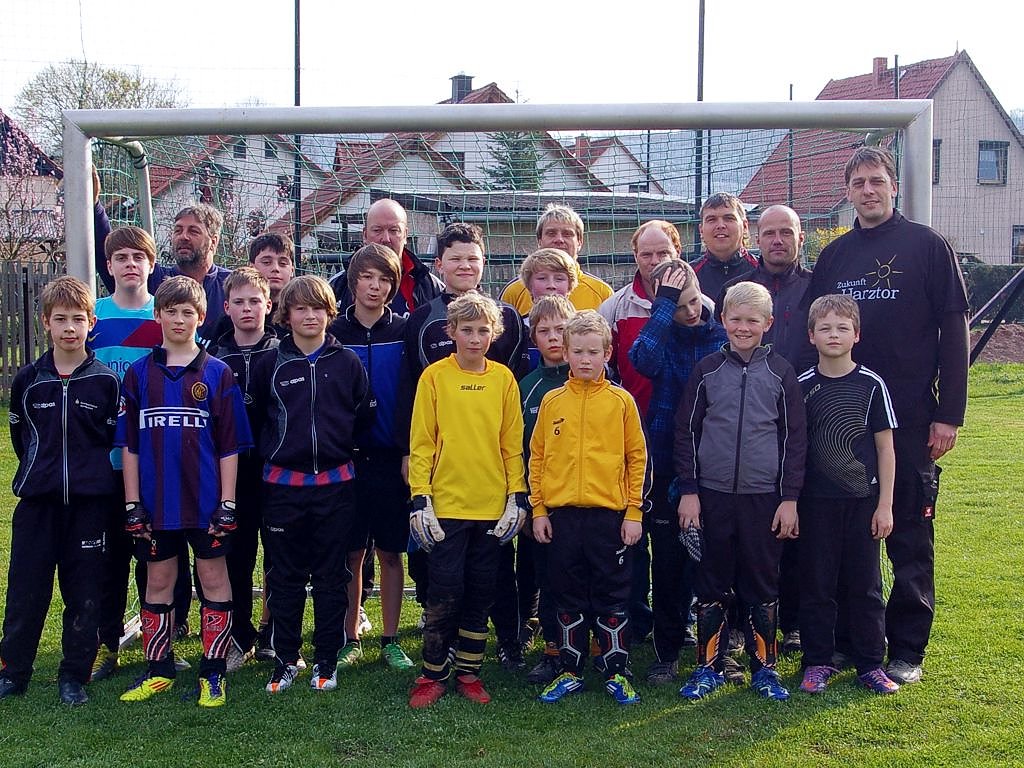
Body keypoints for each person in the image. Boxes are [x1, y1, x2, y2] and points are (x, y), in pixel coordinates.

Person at [805, 146, 969, 685]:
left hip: (912, 419)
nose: (868, 191)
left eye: (877, 181)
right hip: (843, 426)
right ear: (848, 192)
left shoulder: (928, 246)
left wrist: (950, 414)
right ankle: (849, 644)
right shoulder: (835, 256)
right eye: (858, 183)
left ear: (893, 186)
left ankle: (907, 650)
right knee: (847, 538)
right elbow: (815, 333)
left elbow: (954, 332)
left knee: (908, 538)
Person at [117, 276, 252, 707]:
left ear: (202, 316)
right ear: (157, 315)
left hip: (206, 503)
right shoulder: (139, 375)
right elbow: (129, 447)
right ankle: (158, 670)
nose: (179, 319)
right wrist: (132, 502)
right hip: (156, 504)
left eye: (187, 312)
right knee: (158, 580)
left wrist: (228, 502)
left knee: (213, 578)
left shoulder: (217, 373)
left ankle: (213, 671)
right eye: (171, 311)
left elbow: (230, 446)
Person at [399, 222, 529, 657]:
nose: (475, 338)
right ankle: (438, 655)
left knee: (491, 579)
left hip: (492, 494)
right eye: (455, 258)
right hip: (445, 491)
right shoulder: (426, 337)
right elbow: (420, 427)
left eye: (473, 258)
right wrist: (419, 491)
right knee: (443, 578)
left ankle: (501, 646)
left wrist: (516, 494)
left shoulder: (504, 365)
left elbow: (510, 438)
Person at [675, 281, 806, 702]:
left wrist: (789, 499)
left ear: (768, 323)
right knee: (711, 580)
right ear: (723, 320)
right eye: (736, 319)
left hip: (764, 498)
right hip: (712, 495)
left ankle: (765, 669)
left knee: (762, 581)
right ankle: (708, 667)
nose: (743, 327)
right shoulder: (707, 370)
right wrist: (690, 491)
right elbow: (686, 432)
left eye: (752, 320)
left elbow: (794, 441)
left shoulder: (781, 373)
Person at [0, 277, 121, 706]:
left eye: (78, 319)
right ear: (46, 322)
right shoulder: (28, 380)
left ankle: (73, 675)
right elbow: (21, 439)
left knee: (84, 592)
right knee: (25, 591)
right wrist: (42, 473)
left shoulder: (106, 382)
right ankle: (13, 672)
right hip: (39, 504)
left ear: (91, 323)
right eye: (60, 319)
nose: (70, 328)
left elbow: (111, 440)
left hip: (90, 506)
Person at [249, 276, 371, 695]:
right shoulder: (269, 363)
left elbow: (363, 417)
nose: (309, 316)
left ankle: (326, 659)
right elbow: (257, 421)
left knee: (330, 576)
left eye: (317, 308)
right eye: (300, 308)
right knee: (285, 575)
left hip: (336, 487)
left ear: (329, 313)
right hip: (283, 487)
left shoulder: (348, 362)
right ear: (286, 315)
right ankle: (285, 659)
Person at [89, 226, 192, 684]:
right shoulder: (94, 316)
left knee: (166, 557)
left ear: (152, 264)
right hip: (107, 461)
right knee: (109, 557)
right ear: (109, 265)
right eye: (121, 257)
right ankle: (106, 643)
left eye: (139, 257)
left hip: (160, 463)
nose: (130, 264)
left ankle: (167, 637)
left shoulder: (166, 314)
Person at [529, 310, 649, 706]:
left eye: (593, 352)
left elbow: (637, 458)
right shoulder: (552, 401)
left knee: (613, 594)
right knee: (566, 594)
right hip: (562, 517)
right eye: (577, 351)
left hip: (609, 517)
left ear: (607, 354)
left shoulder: (621, 401)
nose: (584, 359)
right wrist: (539, 509)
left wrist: (633, 512)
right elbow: (537, 457)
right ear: (565, 352)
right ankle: (570, 670)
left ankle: (616, 671)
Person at [716, 204, 816, 656]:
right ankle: (738, 624)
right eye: (769, 232)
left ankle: (791, 622)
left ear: (800, 238)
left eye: (786, 232)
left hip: (803, 419)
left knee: (793, 526)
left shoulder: (816, 285)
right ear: (756, 238)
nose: (777, 240)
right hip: (744, 425)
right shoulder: (740, 290)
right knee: (747, 535)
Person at [628, 259, 727, 685]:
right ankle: (666, 652)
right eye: (678, 304)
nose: (690, 312)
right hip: (667, 460)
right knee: (668, 563)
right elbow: (641, 360)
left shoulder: (721, 337)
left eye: (693, 301)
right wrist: (664, 308)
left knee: (715, 562)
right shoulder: (661, 336)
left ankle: (718, 651)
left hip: (717, 462)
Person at [797, 294, 900, 695]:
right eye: (825, 328)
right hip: (815, 505)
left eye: (842, 328)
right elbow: (795, 449)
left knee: (866, 586)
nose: (834, 335)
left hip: (862, 504)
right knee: (817, 584)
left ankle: (870, 663)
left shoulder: (872, 384)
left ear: (856, 334)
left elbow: (886, 449)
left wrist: (885, 505)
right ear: (811, 335)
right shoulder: (802, 387)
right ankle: (817, 661)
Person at [328, 243, 415, 672]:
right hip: (345, 458)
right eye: (367, 277)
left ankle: (391, 639)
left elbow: (414, 395)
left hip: (391, 458)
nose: (375, 286)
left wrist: (407, 449)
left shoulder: (405, 330)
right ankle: (351, 637)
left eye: (384, 279)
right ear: (353, 282)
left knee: (391, 552)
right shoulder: (333, 332)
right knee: (351, 553)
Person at [598, 219, 682, 646]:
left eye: (662, 253)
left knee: (672, 541)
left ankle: (677, 620)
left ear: (677, 252)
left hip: (675, 444)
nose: (654, 261)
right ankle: (632, 619)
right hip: (626, 445)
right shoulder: (613, 307)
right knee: (629, 537)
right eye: (646, 254)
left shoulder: (697, 303)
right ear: (634, 257)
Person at [209, 267, 280, 672]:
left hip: (275, 472)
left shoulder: (284, 352)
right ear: (227, 307)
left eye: (255, 301)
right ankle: (238, 634)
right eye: (239, 302)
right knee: (235, 555)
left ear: (269, 305)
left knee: (278, 554)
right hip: (230, 475)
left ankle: (274, 633)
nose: (247, 308)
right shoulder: (214, 358)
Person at [517, 296, 576, 685]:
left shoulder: (593, 380)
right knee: (546, 576)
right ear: (533, 337)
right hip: (542, 505)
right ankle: (550, 648)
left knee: (585, 576)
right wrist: (526, 501)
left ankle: (591, 646)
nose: (554, 337)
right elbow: (518, 449)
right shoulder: (527, 386)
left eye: (561, 329)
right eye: (544, 331)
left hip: (587, 504)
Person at [95, 204, 232, 344]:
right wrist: (95, 207)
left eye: (193, 231)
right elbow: (108, 249)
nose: (183, 236)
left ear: (213, 242)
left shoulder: (231, 285)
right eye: (178, 230)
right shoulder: (154, 280)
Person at [329, 198, 444, 316]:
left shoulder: (431, 286)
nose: (386, 239)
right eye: (377, 230)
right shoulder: (338, 285)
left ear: (405, 235)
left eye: (394, 230)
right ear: (365, 235)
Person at [500, 204, 612, 313]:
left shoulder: (602, 292)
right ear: (539, 241)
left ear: (579, 242)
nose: (559, 240)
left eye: (567, 234)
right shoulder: (514, 292)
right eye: (551, 233)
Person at [689, 193, 758, 305]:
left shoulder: (763, 271)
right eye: (712, 220)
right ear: (701, 230)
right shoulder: (688, 276)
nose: (720, 225)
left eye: (729, 218)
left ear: (745, 226)